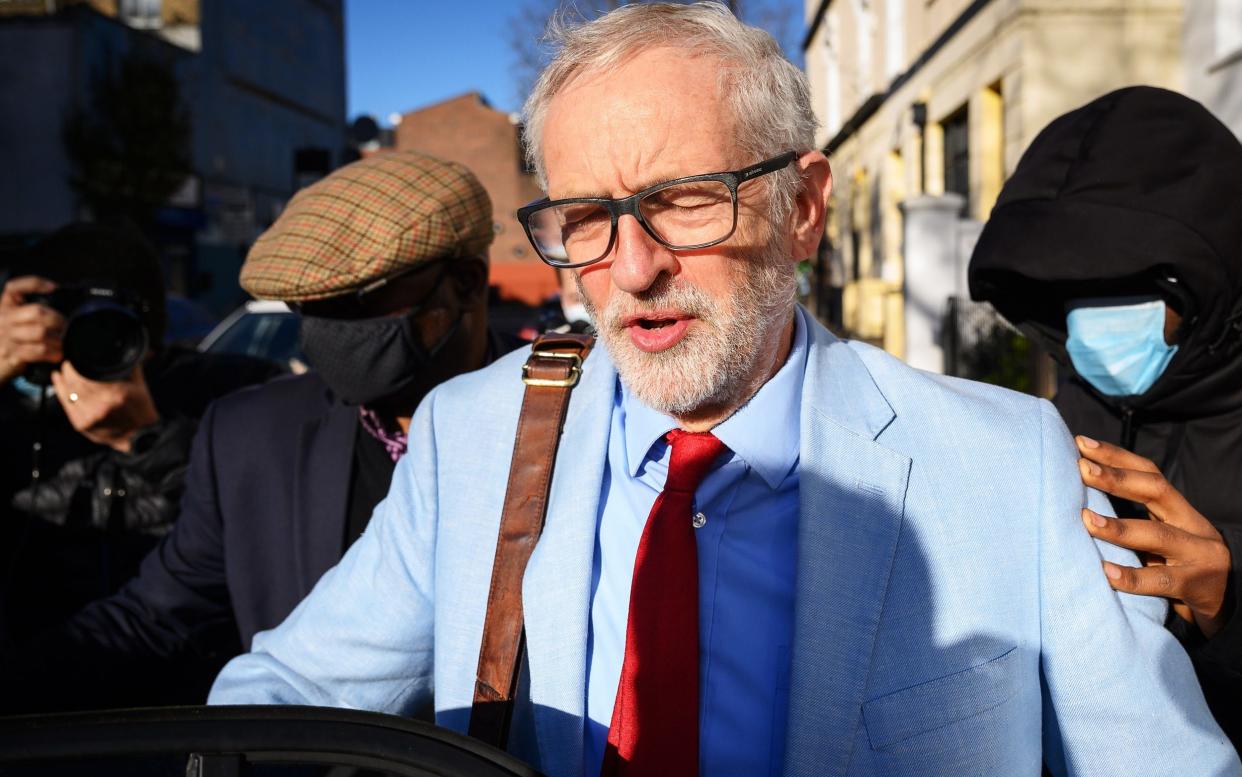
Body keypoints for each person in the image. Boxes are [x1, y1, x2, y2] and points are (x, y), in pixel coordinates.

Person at [210, 6, 1239, 776]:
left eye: (686, 202)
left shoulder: (1014, 464)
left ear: (804, 209)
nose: (631, 267)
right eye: (585, 218)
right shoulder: (470, 435)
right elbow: (280, 699)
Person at [0, 151, 509, 712]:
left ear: (465, 282)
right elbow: (152, 619)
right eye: (305, 305)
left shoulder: (566, 415)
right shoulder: (251, 433)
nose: (323, 329)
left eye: (354, 300)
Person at [969, 85, 1242, 747]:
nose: (1093, 318)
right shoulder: (1045, 430)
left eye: (1129, 283)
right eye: (1067, 291)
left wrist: (1226, 610)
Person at [0, 223, 279, 644]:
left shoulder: (229, 395)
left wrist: (148, 440)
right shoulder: (13, 404)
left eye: (113, 321)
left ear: (151, 326)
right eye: (68, 321)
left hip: (189, 682)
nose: (91, 341)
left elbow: (267, 539)